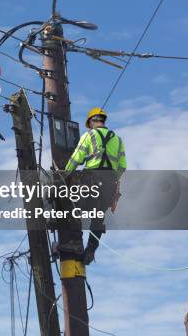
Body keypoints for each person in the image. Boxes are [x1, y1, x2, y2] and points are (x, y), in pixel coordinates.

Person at [64, 107, 127, 265]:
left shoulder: (89, 135)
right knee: (98, 217)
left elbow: (76, 159)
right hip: (109, 184)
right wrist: (113, 179)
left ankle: (72, 242)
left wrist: (63, 176)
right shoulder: (118, 139)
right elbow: (122, 166)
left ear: (92, 122)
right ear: (103, 121)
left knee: (70, 205)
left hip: (91, 179)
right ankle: (91, 249)